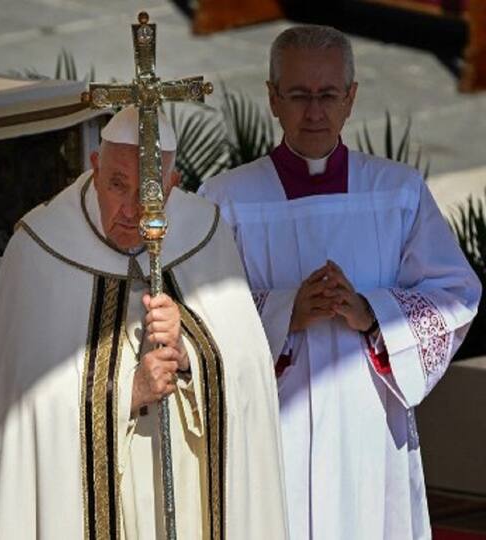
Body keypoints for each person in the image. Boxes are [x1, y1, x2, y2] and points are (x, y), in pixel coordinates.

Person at [199, 24, 481, 540]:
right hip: (271, 428)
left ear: (350, 98)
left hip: (367, 428)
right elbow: (199, 315)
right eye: (299, 95)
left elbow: (456, 296)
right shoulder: (226, 200)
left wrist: (371, 312)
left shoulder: (398, 192)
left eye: (328, 95)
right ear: (272, 99)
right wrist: (286, 312)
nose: (314, 112)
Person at [0, 106, 288, 540]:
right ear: (94, 166)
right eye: (118, 185)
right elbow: (22, 402)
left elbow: (251, 370)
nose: (133, 210)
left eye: (152, 194)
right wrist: (127, 392)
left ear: (174, 185)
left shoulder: (205, 232)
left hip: (190, 489)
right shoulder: (40, 247)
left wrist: (189, 347)